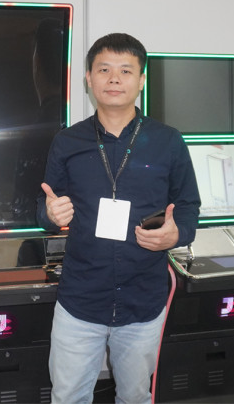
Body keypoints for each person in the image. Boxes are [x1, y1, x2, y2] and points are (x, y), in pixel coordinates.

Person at [36, 33, 201, 404]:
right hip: (80, 300)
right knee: (68, 397)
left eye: (126, 71)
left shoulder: (168, 141)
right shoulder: (67, 141)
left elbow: (188, 206)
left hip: (143, 300)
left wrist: (176, 234)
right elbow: (45, 208)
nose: (114, 78)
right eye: (104, 69)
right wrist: (49, 213)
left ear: (141, 80)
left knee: (135, 397)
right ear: (89, 79)